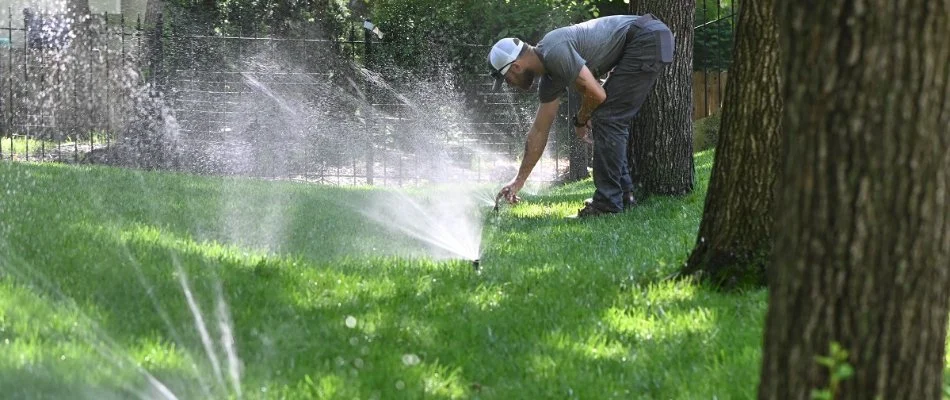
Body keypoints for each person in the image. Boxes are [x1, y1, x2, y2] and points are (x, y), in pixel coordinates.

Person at [489, 14, 674, 217]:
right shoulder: (550, 78)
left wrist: (581, 118)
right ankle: (622, 196)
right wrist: (519, 180)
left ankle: (608, 203)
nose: (510, 84)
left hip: (645, 38)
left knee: (607, 117)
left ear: (516, 66)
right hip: (647, 37)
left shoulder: (554, 51)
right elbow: (539, 131)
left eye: (507, 79)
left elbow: (597, 94)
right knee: (607, 117)